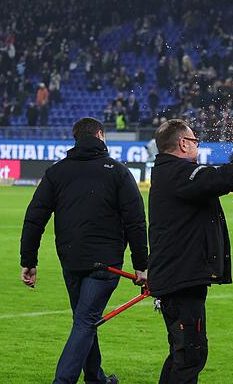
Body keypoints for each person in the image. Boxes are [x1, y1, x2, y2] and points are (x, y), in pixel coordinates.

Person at [147, 119, 233, 383]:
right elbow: (222, 179)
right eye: (195, 140)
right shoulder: (177, 173)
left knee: (184, 353)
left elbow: (223, 178)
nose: (198, 145)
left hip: (180, 276)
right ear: (183, 143)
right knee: (190, 355)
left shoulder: (170, 173)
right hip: (180, 279)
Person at [19, 117, 149, 384]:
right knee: (85, 320)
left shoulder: (57, 172)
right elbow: (135, 220)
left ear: (75, 138)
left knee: (84, 319)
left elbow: (34, 218)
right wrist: (142, 264)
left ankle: (95, 378)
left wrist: (29, 260)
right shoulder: (117, 171)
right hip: (106, 263)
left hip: (71, 260)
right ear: (100, 135)